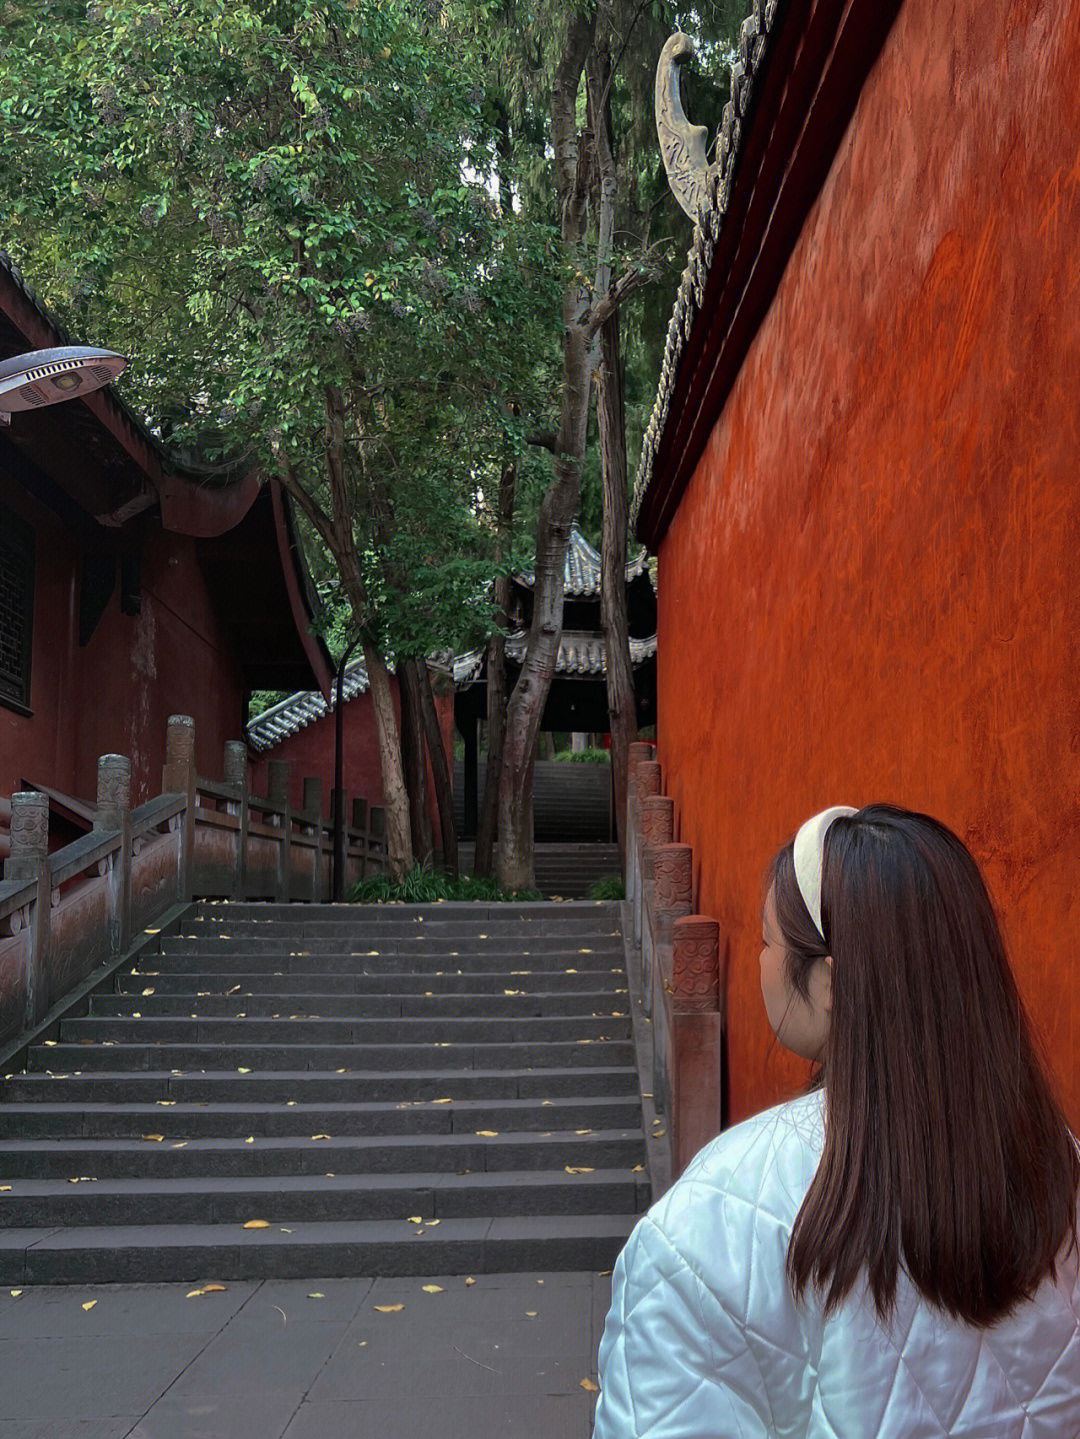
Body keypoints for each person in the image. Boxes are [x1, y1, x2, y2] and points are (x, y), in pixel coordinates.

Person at [593, 803, 1080, 1437]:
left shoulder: (712, 1219)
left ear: (832, 984)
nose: (760, 960)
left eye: (768, 939)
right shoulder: (1059, 1168)